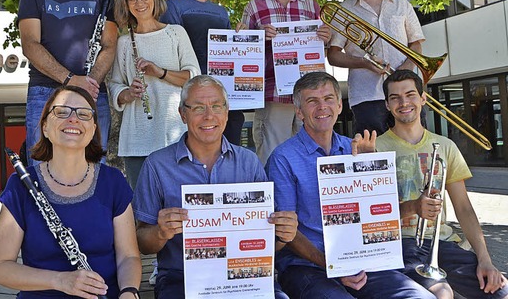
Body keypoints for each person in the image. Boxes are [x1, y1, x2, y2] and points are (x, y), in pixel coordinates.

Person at [266, 71, 434, 299]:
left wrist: (369, 167)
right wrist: (334, 266)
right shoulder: (282, 158)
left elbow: (379, 213)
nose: (322, 107)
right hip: (308, 266)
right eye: (312, 101)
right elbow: (288, 232)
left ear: (339, 106)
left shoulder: (356, 148)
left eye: (328, 99)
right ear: (299, 112)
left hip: (361, 261)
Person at [133, 75, 297, 299]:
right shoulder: (157, 165)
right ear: (183, 114)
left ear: (227, 113)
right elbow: (143, 242)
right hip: (182, 277)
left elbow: (266, 240)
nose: (209, 116)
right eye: (198, 107)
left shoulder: (248, 162)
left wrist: (282, 236)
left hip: (244, 274)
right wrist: (161, 232)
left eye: (216, 106)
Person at [0, 86, 141, 298]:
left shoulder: (113, 181)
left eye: (84, 114)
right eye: (62, 112)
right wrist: (60, 280)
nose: (73, 119)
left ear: (93, 129)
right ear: (45, 127)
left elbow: (128, 257)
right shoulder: (20, 185)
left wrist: (129, 291)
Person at [377, 69, 508, 299]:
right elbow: (372, 215)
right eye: (395, 97)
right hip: (400, 245)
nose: (404, 102)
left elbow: (464, 208)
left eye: (410, 95)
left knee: (501, 290)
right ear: (387, 104)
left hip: (443, 242)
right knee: (442, 293)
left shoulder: (445, 146)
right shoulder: (375, 148)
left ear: (423, 98)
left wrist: (485, 259)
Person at [18, 0, 117, 167]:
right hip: (45, 93)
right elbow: (30, 44)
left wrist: (89, 83)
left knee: (95, 169)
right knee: (42, 168)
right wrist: (71, 80)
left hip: (93, 94)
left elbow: (110, 46)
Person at [236, 0, 332, 164]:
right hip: (273, 93)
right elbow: (243, 51)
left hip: (309, 93)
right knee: (272, 155)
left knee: (312, 153)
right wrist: (258, 37)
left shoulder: (311, 5)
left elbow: (322, 46)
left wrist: (327, 36)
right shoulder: (254, 7)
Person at [109, 0, 200, 189]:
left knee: (179, 206)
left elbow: (194, 78)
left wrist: (160, 72)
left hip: (175, 135)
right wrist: (128, 93)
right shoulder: (123, 43)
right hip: (137, 139)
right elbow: (114, 85)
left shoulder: (175, 33)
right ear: (126, 3)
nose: (139, 2)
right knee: (143, 212)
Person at [327, 0, 425, 137]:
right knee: (373, 155)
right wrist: (364, 63)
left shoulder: (402, 5)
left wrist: (404, 69)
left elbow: (416, 43)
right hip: (367, 96)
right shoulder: (344, 11)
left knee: (413, 147)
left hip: (405, 92)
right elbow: (333, 55)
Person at [160, 0, 246, 145]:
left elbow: (230, 56)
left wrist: (241, 39)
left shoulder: (221, 12)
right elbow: (172, 57)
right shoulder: (172, 7)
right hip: (191, 99)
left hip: (222, 98)